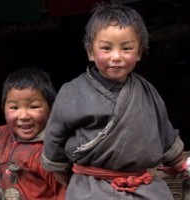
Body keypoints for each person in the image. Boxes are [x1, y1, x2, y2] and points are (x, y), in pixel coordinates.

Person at [41, 2, 189, 200]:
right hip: (91, 186)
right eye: (106, 48)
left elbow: (164, 130)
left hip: (142, 185)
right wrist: (58, 169)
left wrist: (178, 162)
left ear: (139, 52)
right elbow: (55, 135)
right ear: (90, 52)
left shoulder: (147, 92)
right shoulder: (72, 92)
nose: (117, 56)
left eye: (126, 48)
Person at [0, 66, 63, 199]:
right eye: (14, 107)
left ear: (52, 108)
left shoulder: (51, 153)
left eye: (34, 106)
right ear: (3, 109)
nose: (23, 116)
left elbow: (65, 192)